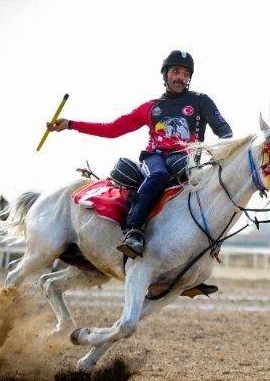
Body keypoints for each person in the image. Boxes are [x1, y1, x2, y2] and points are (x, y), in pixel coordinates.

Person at [46, 50, 233, 258]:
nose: (180, 77)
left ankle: (211, 242)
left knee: (214, 186)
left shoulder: (201, 101)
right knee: (159, 174)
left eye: (185, 74)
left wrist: (226, 150)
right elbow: (112, 129)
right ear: (165, 74)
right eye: (176, 71)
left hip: (185, 161)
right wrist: (71, 125)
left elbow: (223, 129)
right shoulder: (150, 107)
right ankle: (133, 230)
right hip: (155, 159)